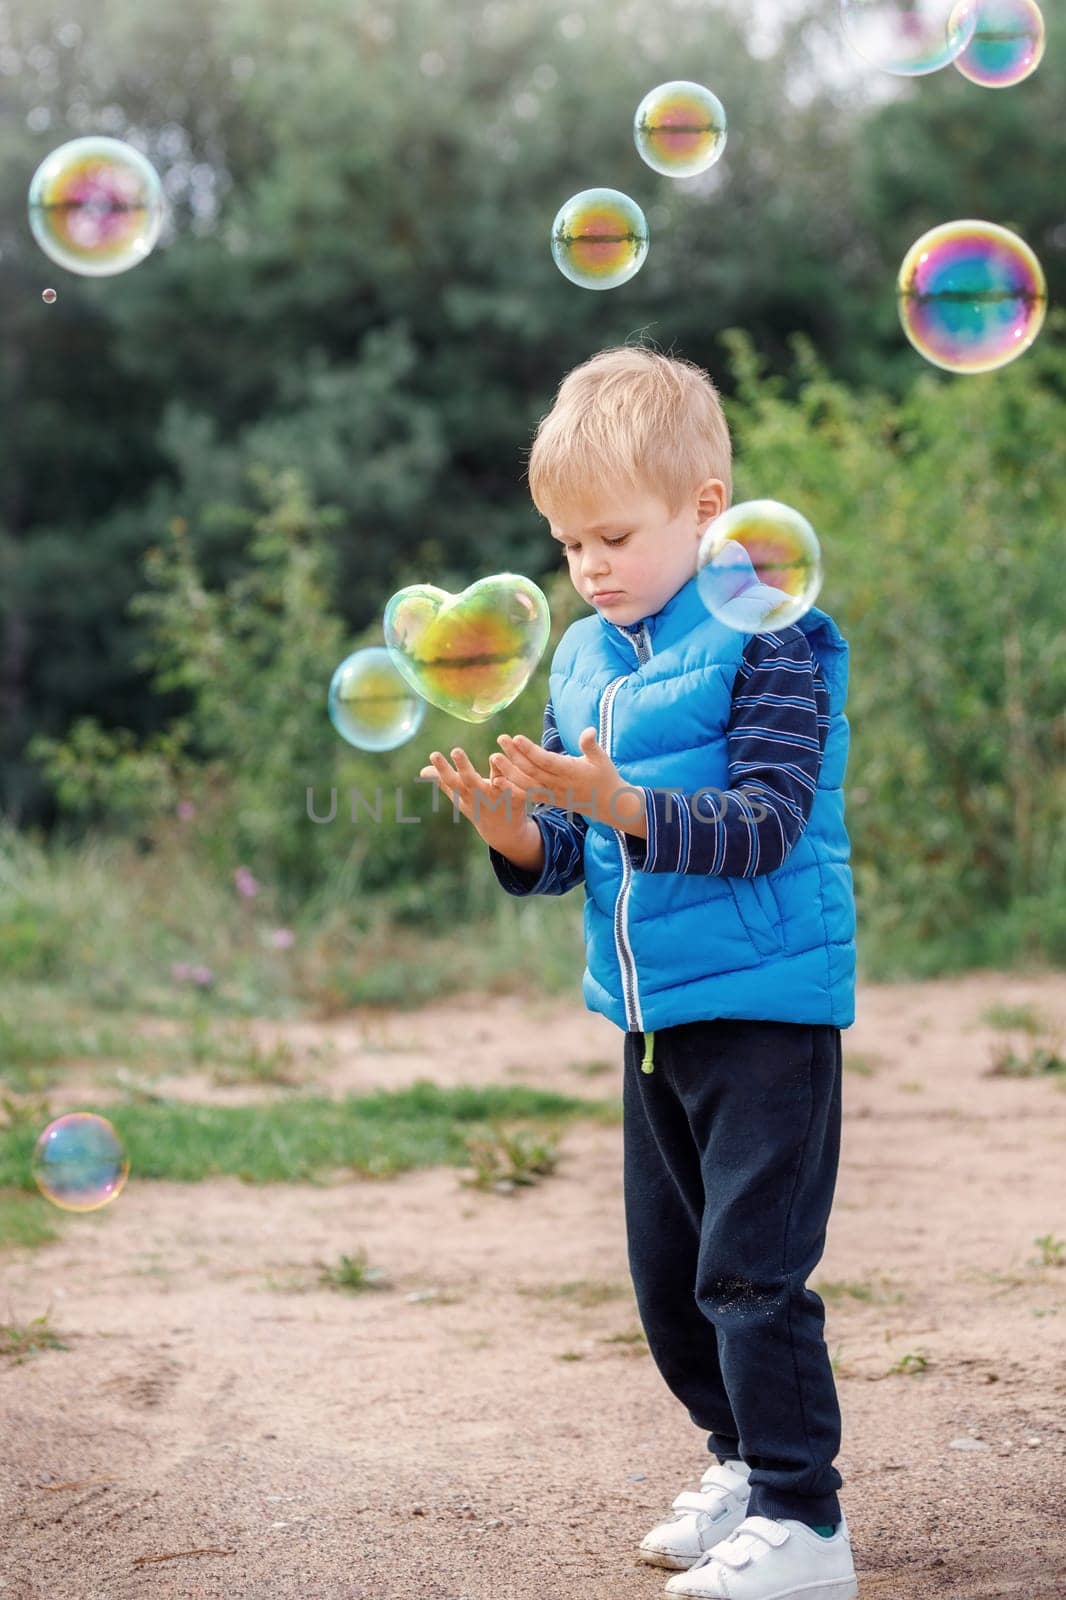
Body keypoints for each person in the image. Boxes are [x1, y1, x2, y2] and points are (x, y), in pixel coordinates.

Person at [419, 344, 858, 1600]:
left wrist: (620, 805)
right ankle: (738, 1461)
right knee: (670, 1277)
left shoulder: (769, 639)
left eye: (614, 534)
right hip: (651, 1017)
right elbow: (573, 846)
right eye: (568, 544)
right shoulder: (579, 659)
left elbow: (766, 821)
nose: (592, 565)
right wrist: (520, 834)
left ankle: (807, 1520)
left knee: (750, 1272)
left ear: (707, 508)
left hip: (766, 1008)